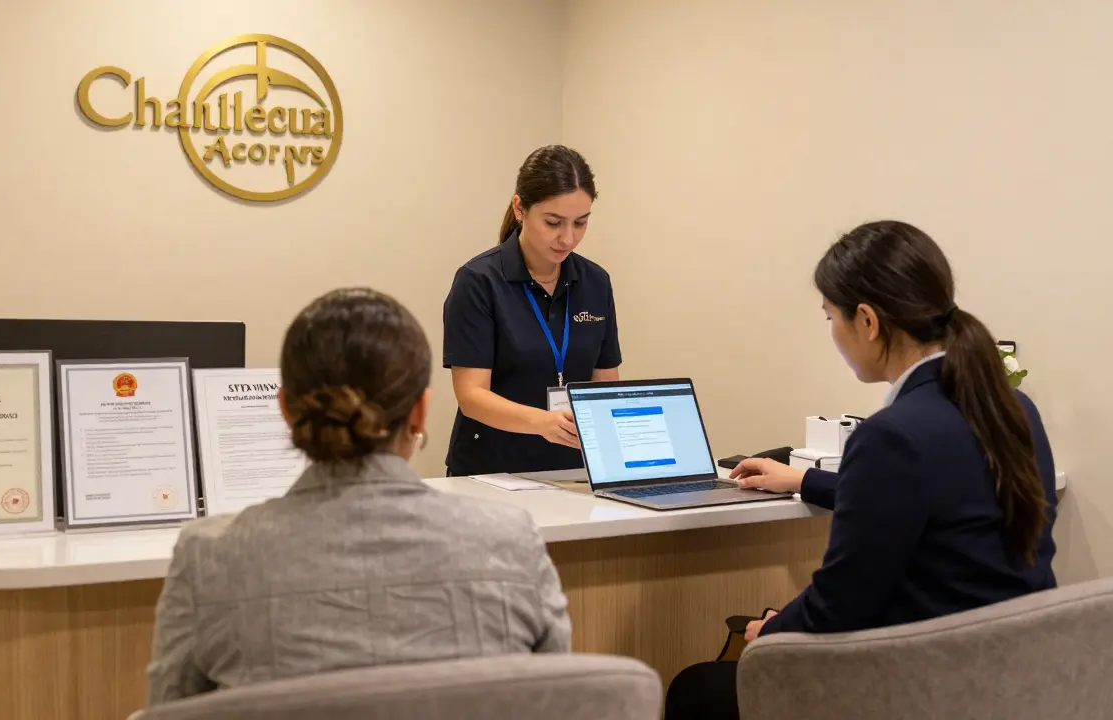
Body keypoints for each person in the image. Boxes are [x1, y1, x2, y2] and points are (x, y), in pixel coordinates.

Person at [665, 221, 1058, 719]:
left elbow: (840, 604)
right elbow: (930, 499)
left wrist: (772, 631)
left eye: (831, 317)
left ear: (867, 321)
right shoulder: (1013, 408)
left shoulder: (893, 435)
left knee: (699, 688)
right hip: (1014, 682)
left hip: (920, 689)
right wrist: (803, 480)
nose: (833, 332)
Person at [146, 288, 572, 705]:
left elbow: (168, 708)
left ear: (286, 410)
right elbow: (560, 702)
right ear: (419, 413)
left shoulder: (207, 557)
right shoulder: (511, 540)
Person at [443, 145, 621, 476]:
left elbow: (605, 383)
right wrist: (544, 423)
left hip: (574, 471)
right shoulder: (479, 281)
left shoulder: (596, 282)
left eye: (580, 223)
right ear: (519, 208)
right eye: (553, 222)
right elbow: (471, 396)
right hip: (493, 471)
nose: (567, 238)